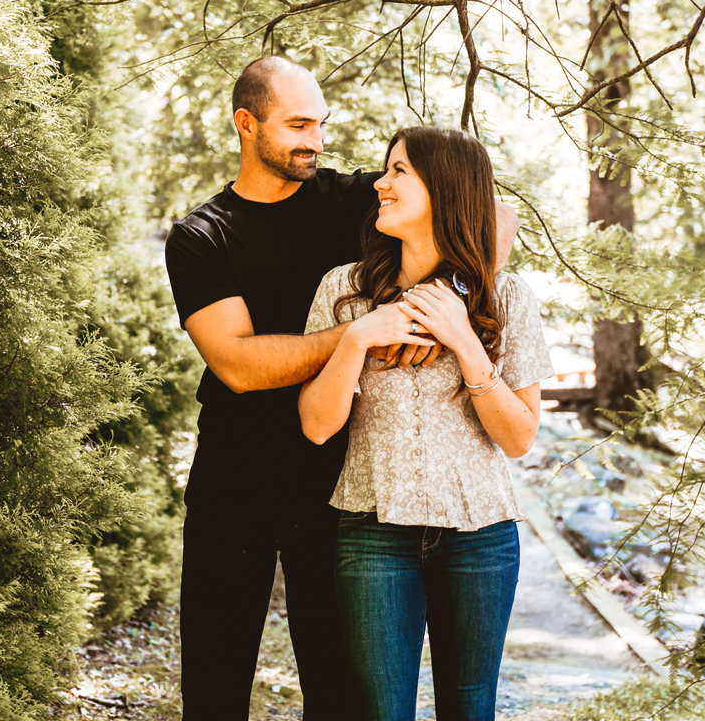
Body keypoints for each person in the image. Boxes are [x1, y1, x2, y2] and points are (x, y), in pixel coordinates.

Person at [163, 56, 518, 719]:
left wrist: (448, 303)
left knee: (341, 690)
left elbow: (491, 215)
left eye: (320, 124)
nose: (315, 141)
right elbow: (237, 365)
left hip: (333, 476)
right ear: (247, 124)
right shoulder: (201, 237)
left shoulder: (352, 200)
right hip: (233, 477)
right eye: (298, 125)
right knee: (215, 681)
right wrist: (363, 333)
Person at [298, 126, 554, 721]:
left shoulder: (505, 297)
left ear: (445, 189)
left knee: (470, 709)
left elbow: (518, 437)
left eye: (398, 172)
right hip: (372, 533)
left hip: (481, 537)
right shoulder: (344, 290)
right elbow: (315, 425)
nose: (381, 185)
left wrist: (466, 342)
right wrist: (358, 338)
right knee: (381, 712)